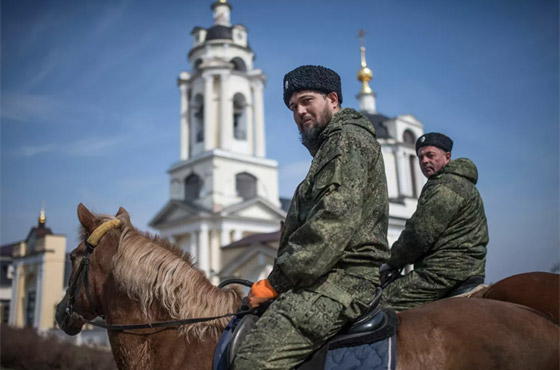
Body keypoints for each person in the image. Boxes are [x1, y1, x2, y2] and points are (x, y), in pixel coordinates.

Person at [231, 65, 390, 370]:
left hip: (343, 281)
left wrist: (274, 283)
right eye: (293, 107)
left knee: (252, 361)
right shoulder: (332, 146)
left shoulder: (345, 142)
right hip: (326, 276)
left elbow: (329, 226)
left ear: (333, 99)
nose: (299, 111)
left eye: (307, 101)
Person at [380, 132, 489, 312]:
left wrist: (391, 262)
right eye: (421, 157)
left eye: (430, 155)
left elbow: (419, 235)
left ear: (447, 157)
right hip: (458, 267)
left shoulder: (447, 186)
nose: (424, 161)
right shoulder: (448, 182)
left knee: (375, 307)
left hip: (444, 271)